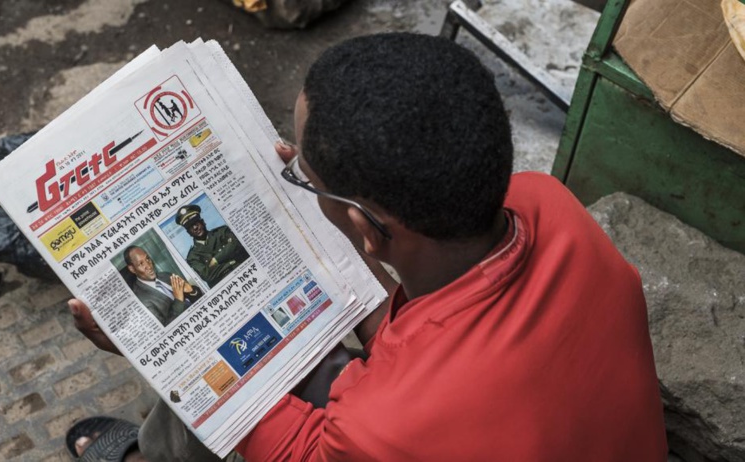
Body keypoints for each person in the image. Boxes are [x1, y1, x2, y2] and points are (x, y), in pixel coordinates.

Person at [69, 32, 667, 461]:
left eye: (303, 177)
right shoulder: (548, 204)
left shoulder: (380, 427)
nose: (298, 176)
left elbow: (294, 445)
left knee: (201, 411)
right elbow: (423, 333)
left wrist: (164, 348)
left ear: (366, 226)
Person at [175, 204, 250, 288]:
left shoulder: (222, 232)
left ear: (203, 222)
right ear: (188, 232)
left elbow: (237, 244)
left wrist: (215, 260)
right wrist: (230, 261)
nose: (195, 227)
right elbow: (207, 275)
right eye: (190, 227)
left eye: (196, 222)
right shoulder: (192, 257)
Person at [124, 245, 200, 326]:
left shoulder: (165, 275)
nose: (149, 266)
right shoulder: (140, 300)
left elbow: (197, 295)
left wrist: (192, 291)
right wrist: (178, 300)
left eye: (147, 258)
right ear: (132, 269)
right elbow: (166, 327)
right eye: (141, 263)